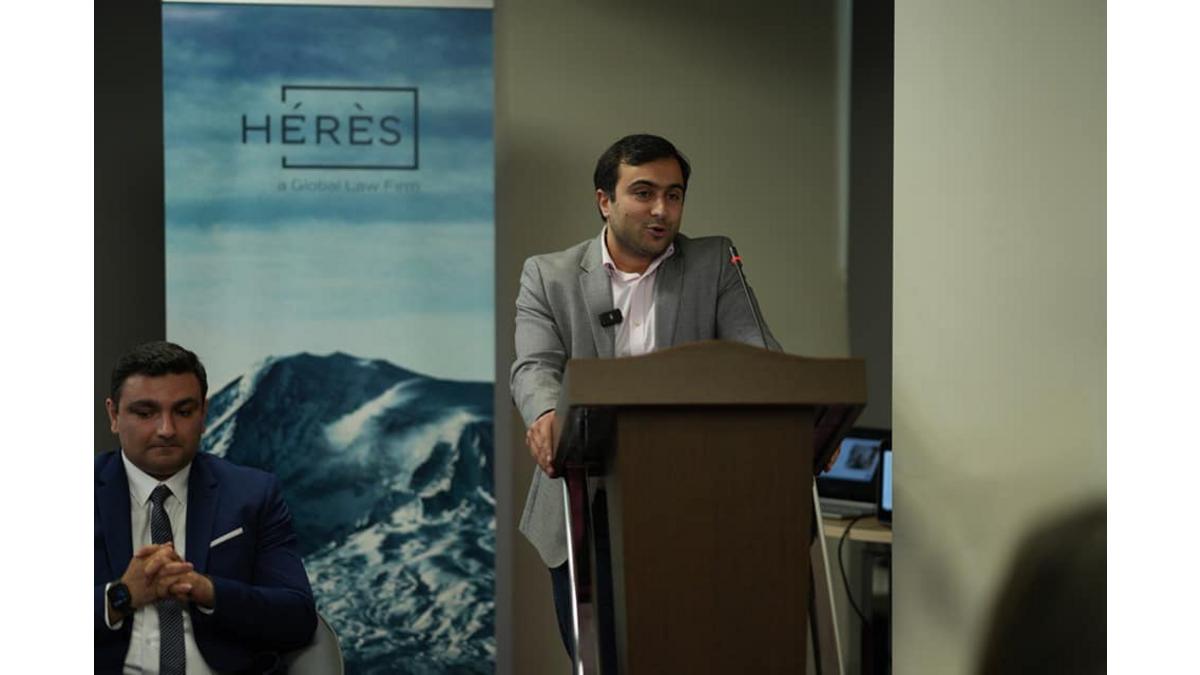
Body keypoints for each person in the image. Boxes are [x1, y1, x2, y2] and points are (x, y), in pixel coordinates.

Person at [510, 133, 781, 659]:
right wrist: (544, 415)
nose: (661, 209)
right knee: (602, 659)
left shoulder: (713, 263)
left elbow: (758, 357)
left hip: (694, 502)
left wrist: (798, 410)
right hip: (585, 502)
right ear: (604, 201)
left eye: (673, 195)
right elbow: (535, 365)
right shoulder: (549, 275)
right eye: (644, 193)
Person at [95, 341, 316, 674]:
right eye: (145, 413)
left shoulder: (252, 494)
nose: (166, 430)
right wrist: (122, 595)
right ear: (114, 415)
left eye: (183, 412)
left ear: (204, 414)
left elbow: (297, 617)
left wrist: (206, 591)